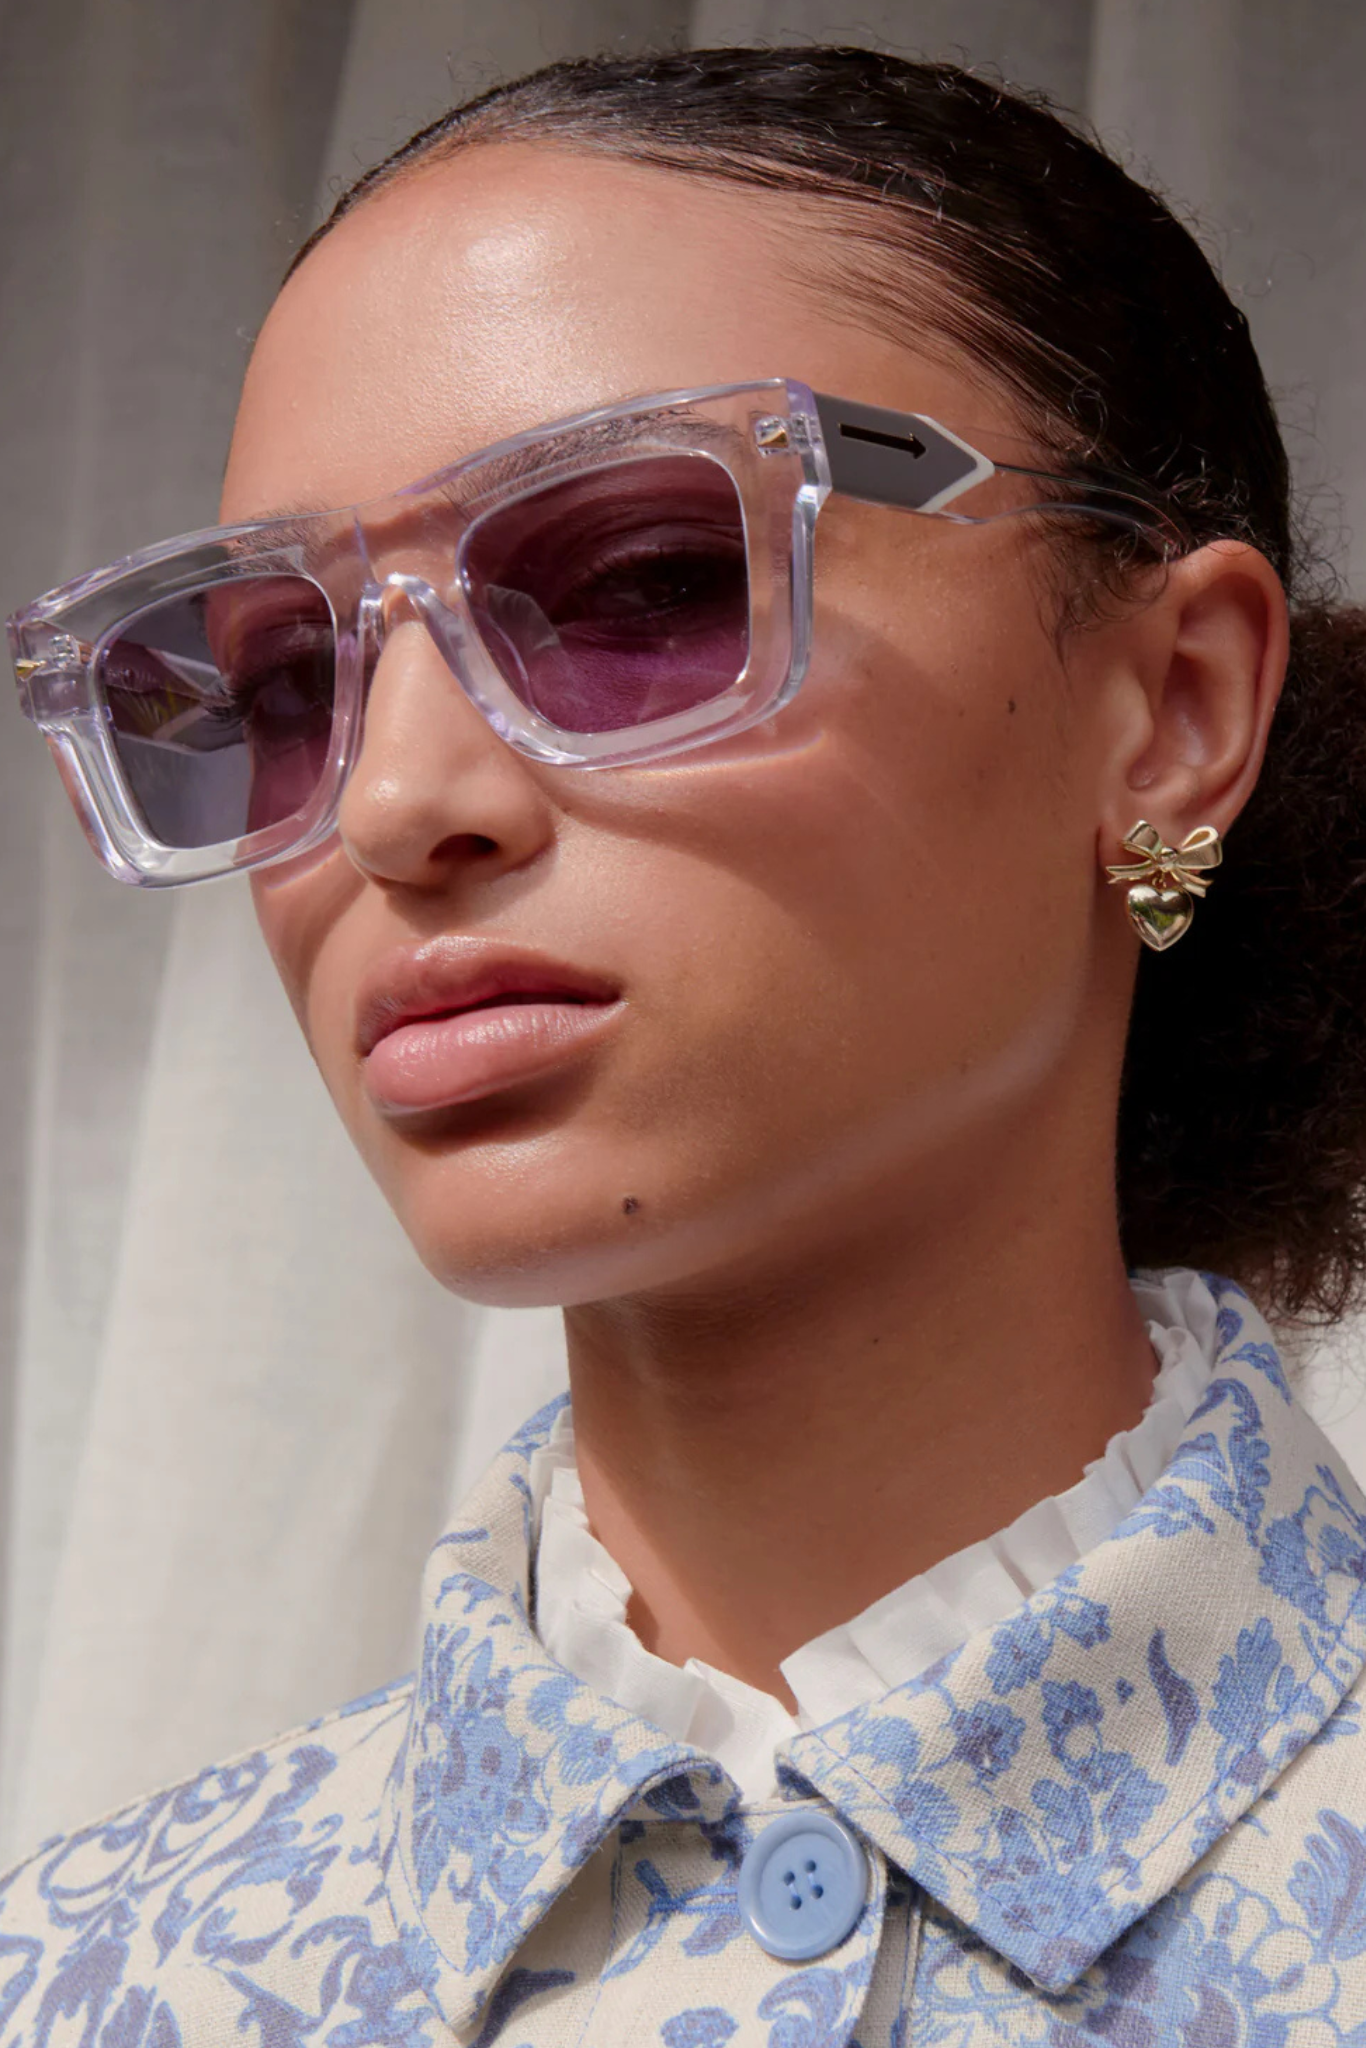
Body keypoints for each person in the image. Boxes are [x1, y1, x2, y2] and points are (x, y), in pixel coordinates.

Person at [7, 41, 1366, 2045]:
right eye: (283, 682)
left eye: (640, 584)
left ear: (1164, 706)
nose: (394, 806)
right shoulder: (89, 1979)